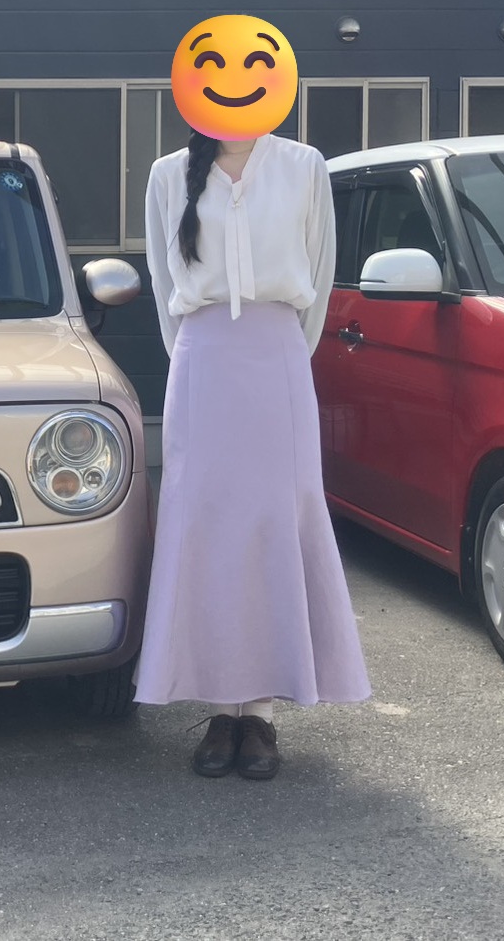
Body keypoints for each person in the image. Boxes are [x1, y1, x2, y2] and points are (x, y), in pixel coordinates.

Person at [137, 128, 371, 780]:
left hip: (277, 358)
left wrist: (284, 351)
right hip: (203, 359)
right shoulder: (167, 174)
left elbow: (318, 272)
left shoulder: (303, 165)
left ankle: (260, 713)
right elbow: (162, 281)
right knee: (209, 526)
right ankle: (222, 709)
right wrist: (197, 355)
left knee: (276, 522)